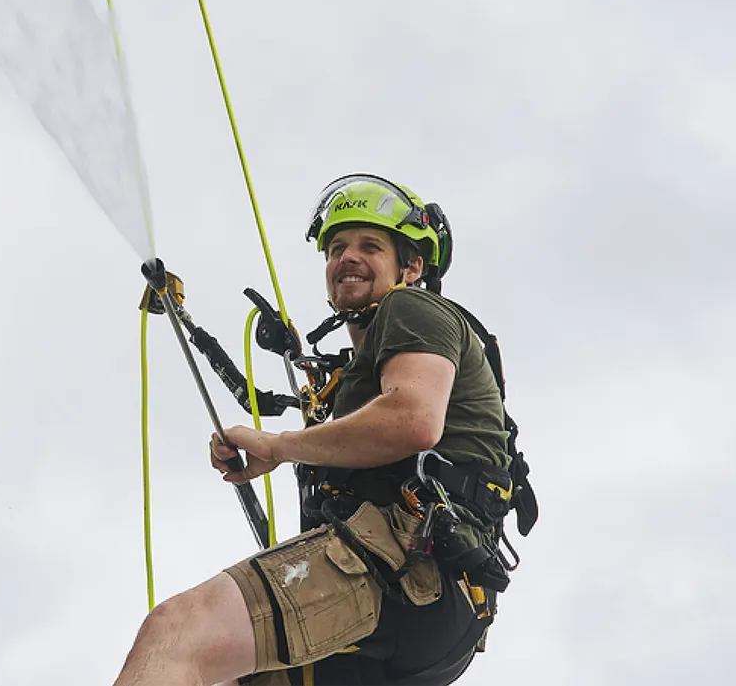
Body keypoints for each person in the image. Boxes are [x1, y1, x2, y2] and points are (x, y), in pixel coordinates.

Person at [113, 174, 532, 686]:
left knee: (178, 635)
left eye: (370, 246)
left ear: (412, 267)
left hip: (402, 562)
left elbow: (413, 420)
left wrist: (277, 445)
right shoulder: (352, 380)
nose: (346, 258)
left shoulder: (411, 307)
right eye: (336, 248)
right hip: (432, 612)